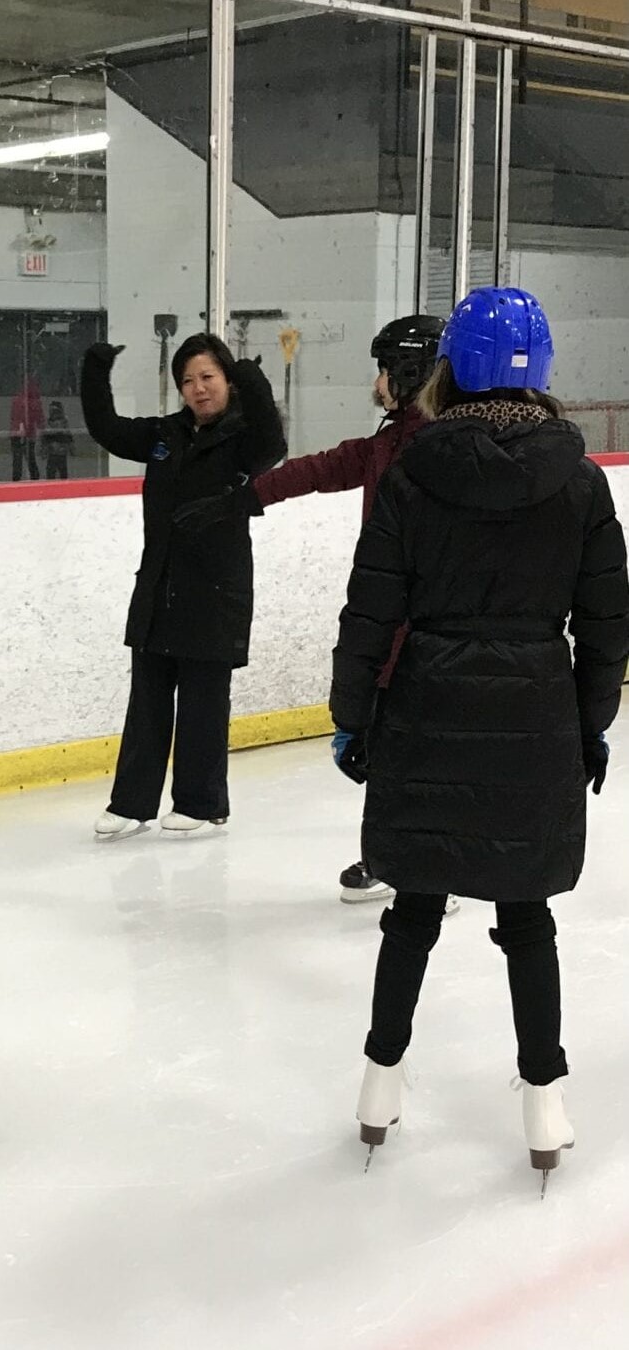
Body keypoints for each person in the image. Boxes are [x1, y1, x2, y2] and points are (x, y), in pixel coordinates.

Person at [331, 288, 629, 1188]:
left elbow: (370, 609)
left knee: (413, 910)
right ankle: (544, 1100)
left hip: (429, 707)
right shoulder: (580, 481)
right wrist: (590, 722)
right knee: (525, 915)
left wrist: (353, 718)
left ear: (451, 369)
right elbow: (606, 623)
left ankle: (379, 1086)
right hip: (533, 715)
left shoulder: (414, 473)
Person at [251, 316, 447, 907]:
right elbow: (325, 466)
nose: (377, 381)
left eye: (383, 369)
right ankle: (394, 857)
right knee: (392, 750)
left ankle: (432, 868)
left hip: (427, 632)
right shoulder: (389, 442)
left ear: (410, 373)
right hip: (390, 624)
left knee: (423, 753)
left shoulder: (438, 447)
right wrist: (251, 494)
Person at [82, 335, 287, 841]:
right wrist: (95, 369)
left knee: (203, 704)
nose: (198, 389)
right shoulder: (165, 435)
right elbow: (106, 429)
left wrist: (251, 378)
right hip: (158, 587)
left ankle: (201, 802)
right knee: (147, 702)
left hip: (216, 593)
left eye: (208, 377)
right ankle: (131, 804)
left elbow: (273, 445)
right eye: (188, 380)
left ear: (228, 381)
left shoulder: (243, 439)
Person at [10, 377, 45, 481]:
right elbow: (39, 418)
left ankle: (18, 479)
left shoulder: (18, 400)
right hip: (26, 433)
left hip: (20, 433)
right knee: (29, 458)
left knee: (19, 459)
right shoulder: (33, 401)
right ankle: (33, 478)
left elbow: (15, 417)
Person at [42, 400, 75, 480]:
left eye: (54, 411)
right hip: (53, 452)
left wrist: (71, 448)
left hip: (60, 452)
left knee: (60, 472)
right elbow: (46, 438)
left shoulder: (63, 422)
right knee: (52, 473)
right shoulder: (50, 423)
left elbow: (68, 437)